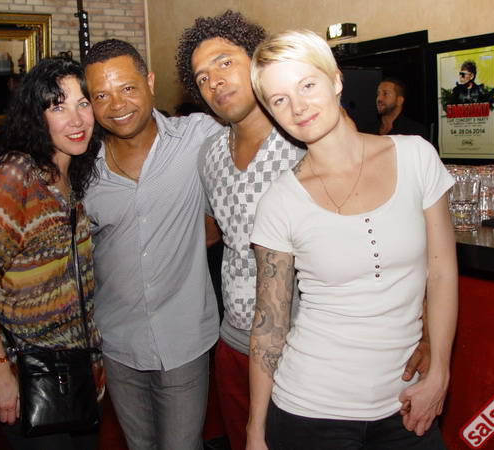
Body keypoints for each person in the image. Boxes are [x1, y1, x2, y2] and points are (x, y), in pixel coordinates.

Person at [176, 11, 433, 450]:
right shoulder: (210, 155)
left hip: (308, 351)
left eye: (225, 62)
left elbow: (389, 237)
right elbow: (219, 236)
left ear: (256, 63)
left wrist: (425, 332)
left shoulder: (309, 132)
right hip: (234, 341)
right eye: (202, 77)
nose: (214, 81)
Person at [247, 30, 458, 449]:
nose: (298, 107)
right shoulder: (279, 200)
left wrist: (440, 372)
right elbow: (269, 326)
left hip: (406, 405)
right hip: (309, 409)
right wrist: (256, 429)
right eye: (280, 99)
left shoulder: (416, 156)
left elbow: (442, 273)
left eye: (307, 85)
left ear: (336, 80)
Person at [0, 56, 104, 450]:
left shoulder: (70, 174)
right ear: (36, 116)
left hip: (76, 371)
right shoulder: (13, 176)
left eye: (83, 103)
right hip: (28, 376)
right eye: (58, 107)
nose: (76, 119)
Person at [82, 39, 222, 450]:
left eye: (127, 88)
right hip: (117, 342)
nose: (117, 105)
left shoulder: (198, 136)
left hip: (184, 339)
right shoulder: (84, 169)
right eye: (101, 95)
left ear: (150, 82)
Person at [363, 77, 428, 140]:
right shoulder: (368, 131)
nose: (379, 98)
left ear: (399, 100)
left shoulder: (413, 132)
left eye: (385, 94)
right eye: (378, 94)